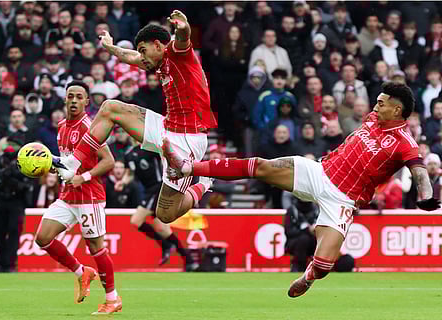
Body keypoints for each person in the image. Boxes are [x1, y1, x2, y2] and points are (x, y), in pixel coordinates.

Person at [162, 82, 440, 297]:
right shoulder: (371, 119)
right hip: (319, 172)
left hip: (343, 199)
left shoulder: (405, 142)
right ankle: (188, 168)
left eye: (381, 104)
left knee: (324, 264)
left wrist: (425, 195)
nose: (375, 107)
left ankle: (307, 276)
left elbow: (418, 171)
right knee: (261, 166)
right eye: (376, 103)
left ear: (397, 110)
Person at [54, 10, 217, 224]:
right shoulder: (158, 63)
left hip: (188, 138)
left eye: (143, 50)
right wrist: (110, 47)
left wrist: (183, 27)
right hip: (166, 127)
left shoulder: (178, 53)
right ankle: (73, 162)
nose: (141, 57)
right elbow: (129, 56)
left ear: (158, 45)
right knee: (110, 107)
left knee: (166, 214)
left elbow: (183, 38)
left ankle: (205, 182)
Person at [34, 80, 122, 315]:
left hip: (89, 195)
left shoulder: (89, 126)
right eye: (70, 96)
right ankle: (82, 272)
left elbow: (109, 161)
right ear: (65, 99)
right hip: (68, 195)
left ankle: (113, 299)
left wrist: (82, 178)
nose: (73, 100)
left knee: (96, 247)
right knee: (42, 238)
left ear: (86, 101)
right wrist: (50, 164)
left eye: (78, 97)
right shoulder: (62, 125)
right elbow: (68, 163)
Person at [124, 143, 199, 270]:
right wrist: (122, 182)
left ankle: (165, 245)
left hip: (157, 187)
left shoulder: (150, 148)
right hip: (148, 190)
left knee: (136, 220)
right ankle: (188, 259)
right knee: (163, 229)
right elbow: (129, 174)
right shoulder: (129, 154)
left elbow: (166, 155)